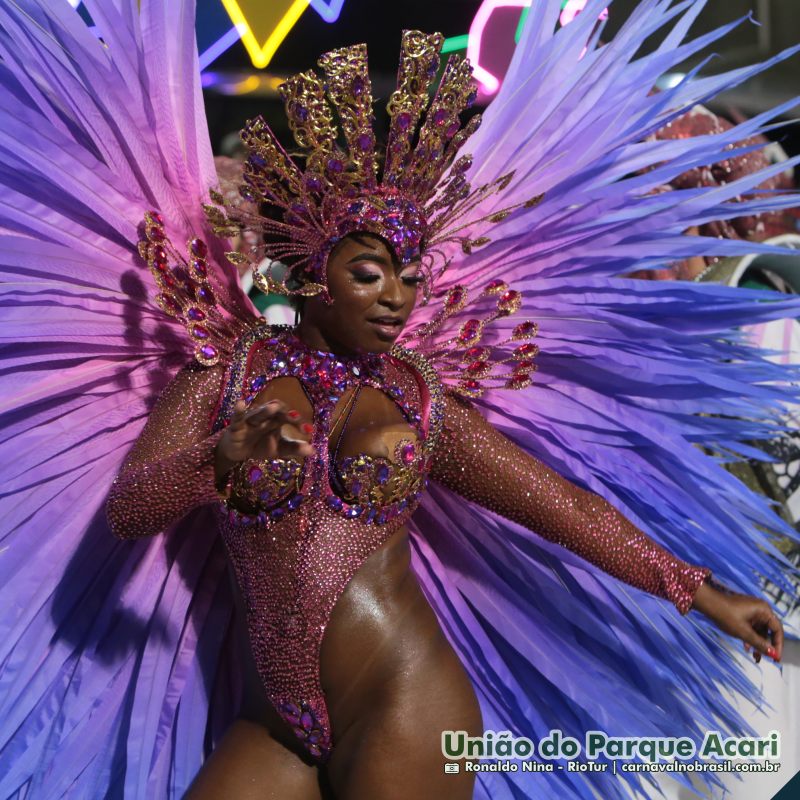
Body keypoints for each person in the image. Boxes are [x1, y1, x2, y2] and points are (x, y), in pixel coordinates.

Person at [2, 4, 799, 800]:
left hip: (404, 699)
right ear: (314, 274)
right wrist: (219, 463)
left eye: (410, 277)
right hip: (273, 722)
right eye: (370, 274)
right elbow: (129, 511)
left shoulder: (418, 398)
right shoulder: (220, 379)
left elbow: (560, 506)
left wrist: (699, 590)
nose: (397, 299)